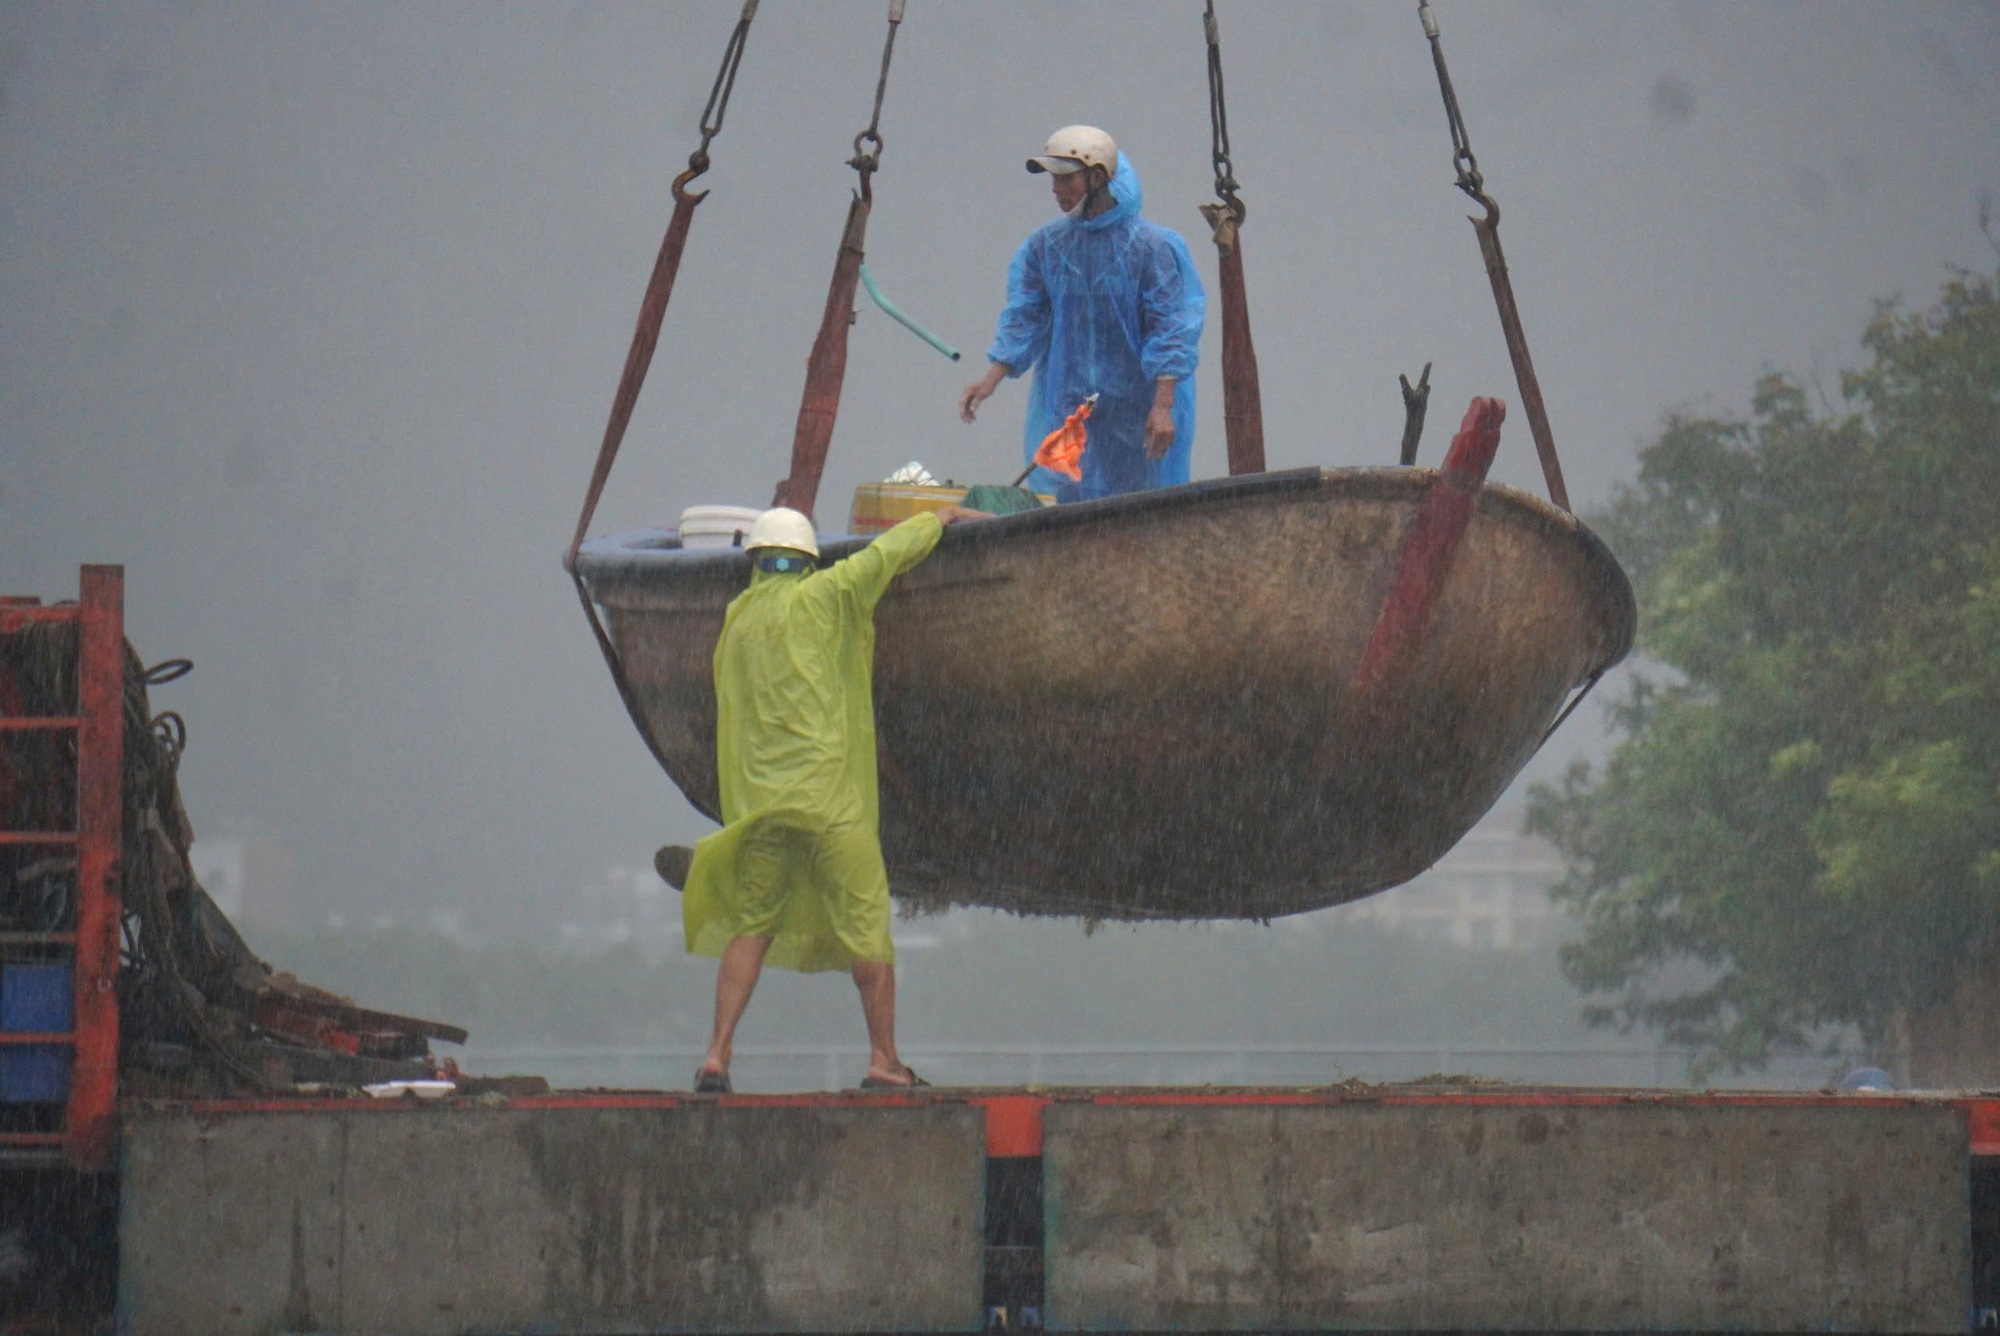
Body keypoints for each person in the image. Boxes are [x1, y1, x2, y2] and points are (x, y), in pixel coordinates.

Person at [663, 503, 975, 1093]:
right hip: (829, 800)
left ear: (755, 561)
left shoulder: (738, 621)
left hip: (765, 808)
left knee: (753, 923)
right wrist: (938, 516)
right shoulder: (827, 596)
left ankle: (715, 1057)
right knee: (866, 927)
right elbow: (886, 555)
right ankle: (884, 1060)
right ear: (809, 560)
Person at [958, 125, 1206, 502]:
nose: (1055, 190)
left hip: (1136, 408)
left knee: (1142, 512)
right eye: (1053, 179)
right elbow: (1027, 315)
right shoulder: (1048, 247)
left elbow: (1170, 328)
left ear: (1096, 177)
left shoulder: (1152, 248)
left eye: (1065, 178)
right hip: (1072, 405)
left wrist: (1162, 406)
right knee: (1077, 509)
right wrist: (990, 378)